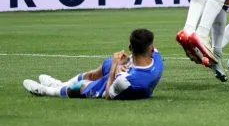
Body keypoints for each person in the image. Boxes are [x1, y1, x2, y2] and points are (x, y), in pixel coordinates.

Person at [23, 28, 163, 100]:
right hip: (130, 69)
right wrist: (125, 62)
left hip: (119, 86)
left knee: (81, 86)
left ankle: (47, 91)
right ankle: (60, 83)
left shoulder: (125, 81)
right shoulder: (156, 58)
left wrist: (115, 65)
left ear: (131, 47)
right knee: (100, 69)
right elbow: (139, 56)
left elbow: (109, 95)